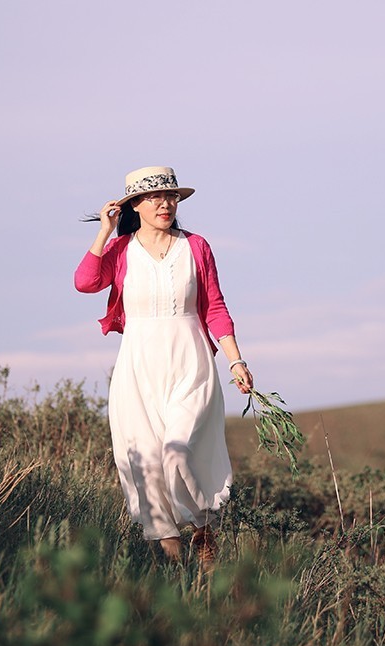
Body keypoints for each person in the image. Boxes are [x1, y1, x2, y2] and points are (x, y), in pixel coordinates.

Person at [74, 166, 253, 566]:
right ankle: (176, 569)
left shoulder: (196, 247)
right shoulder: (120, 251)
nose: (165, 203)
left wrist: (235, 359)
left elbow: (216, 308)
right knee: (147, 464)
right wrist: (104, 231)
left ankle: (203, 529)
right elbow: (85, 283)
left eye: (171, 196)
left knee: (177, 450)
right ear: (134, 205)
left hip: (190, 363)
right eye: (154, 197)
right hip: (137, 370)